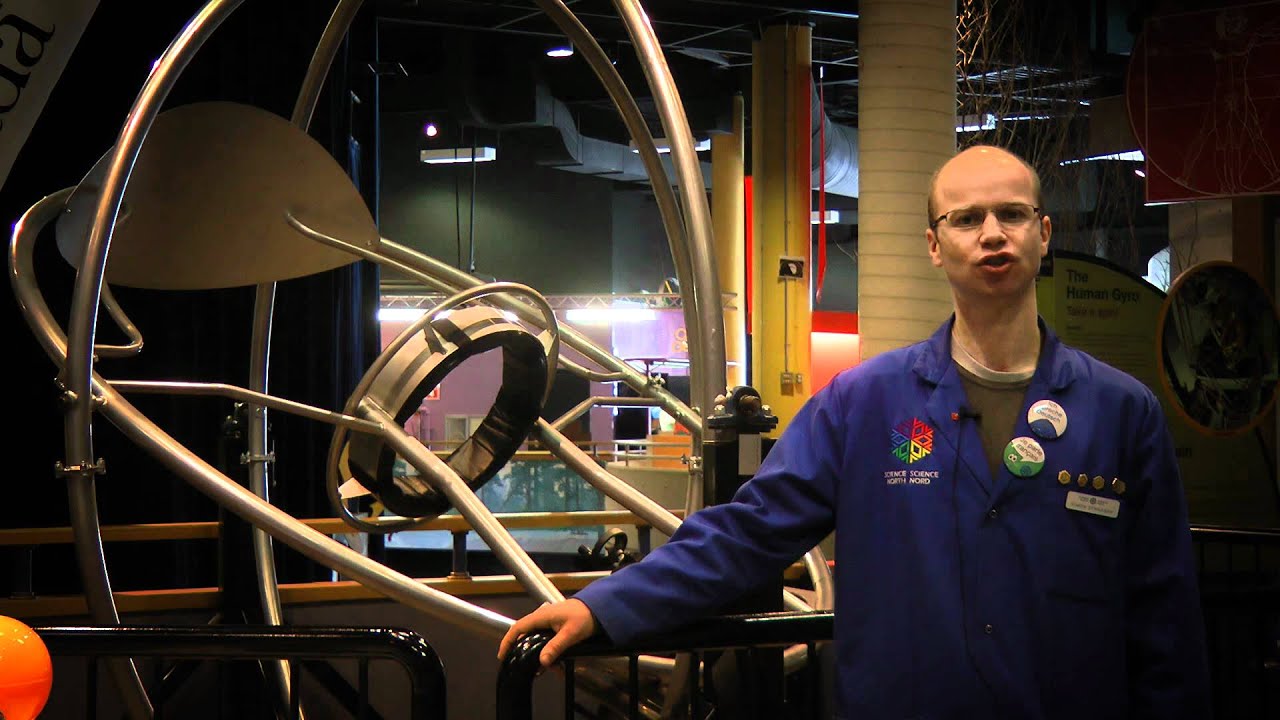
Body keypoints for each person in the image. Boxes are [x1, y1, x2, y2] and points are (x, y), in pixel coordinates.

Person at [499, 145, 1211, 719]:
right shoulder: (866, 404)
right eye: (967, 220)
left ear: (1043, 232)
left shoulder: (1122, 412)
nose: (992, 233)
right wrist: (606, 605)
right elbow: (749, 530)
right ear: (934, 246)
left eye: (1012, 214)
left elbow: (1165, 614)